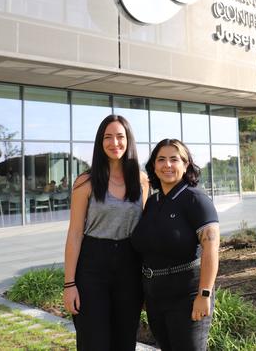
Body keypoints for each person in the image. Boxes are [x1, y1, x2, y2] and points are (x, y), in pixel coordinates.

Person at [63, 114, 149, 350]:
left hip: (129, 267)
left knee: (125, 340)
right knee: (94, 341)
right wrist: (69, 284)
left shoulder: (142, 181)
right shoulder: (85, 182)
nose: (115, 143)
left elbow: (143, 232)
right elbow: (75, 233)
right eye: (107, 137)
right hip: (92, 267)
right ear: (100, 143)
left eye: (120, 137)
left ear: (128, 140)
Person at [132, 139, 220, 351]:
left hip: (187, 298)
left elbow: (211, 250)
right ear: (153, 166)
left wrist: (204, 294)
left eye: (174, 159)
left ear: (186, 164)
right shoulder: (152, 203)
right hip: (155, 298)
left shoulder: (196, 200)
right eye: (161, 159)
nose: (167, 165)